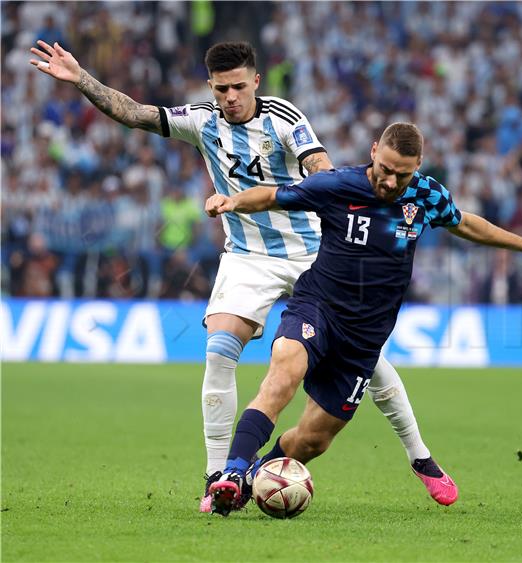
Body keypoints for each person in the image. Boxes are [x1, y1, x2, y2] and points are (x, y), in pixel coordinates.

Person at [30, 40, 459, 511]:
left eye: (237, 86)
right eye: (221, 88)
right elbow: (135, 113)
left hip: (310, 249)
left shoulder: (285, 118)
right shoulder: (201, 119)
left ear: (255, 81)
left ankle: (421, 458)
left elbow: (319, 164)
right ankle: (219, 478)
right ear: (211, 87)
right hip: (247, 255)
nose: (229, 96)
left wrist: (344, 195)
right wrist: (82, 78)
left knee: (369, 358)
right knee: (218, 350)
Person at [203, 122, 522, 516]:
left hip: (365, 336)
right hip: (318, 307)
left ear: (418, 165)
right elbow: (274, 197)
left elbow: (465, 223)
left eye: (403, 173)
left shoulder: (426, 195)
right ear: (374, 150)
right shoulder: (337, 186)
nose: (391, 180)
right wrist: (231, 201)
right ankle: (232, 472)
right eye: (385, 168)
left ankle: (256, 474)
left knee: (313, 441)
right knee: (283, 374)